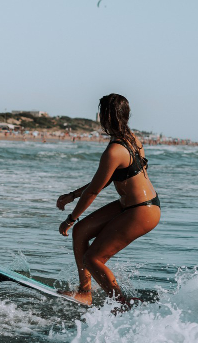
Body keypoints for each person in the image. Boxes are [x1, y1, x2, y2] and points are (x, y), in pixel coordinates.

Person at [57, 94, 160, 307]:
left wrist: (70, 218)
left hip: (142, 210)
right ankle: (85, 292)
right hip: (134, 205)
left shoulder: (114, 150)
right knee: (82, 231)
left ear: (104, 116)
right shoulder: (132, 139)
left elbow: (93, 191)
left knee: (93, 258)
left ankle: (122, 303)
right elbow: (103, 180)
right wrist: (73, 195)